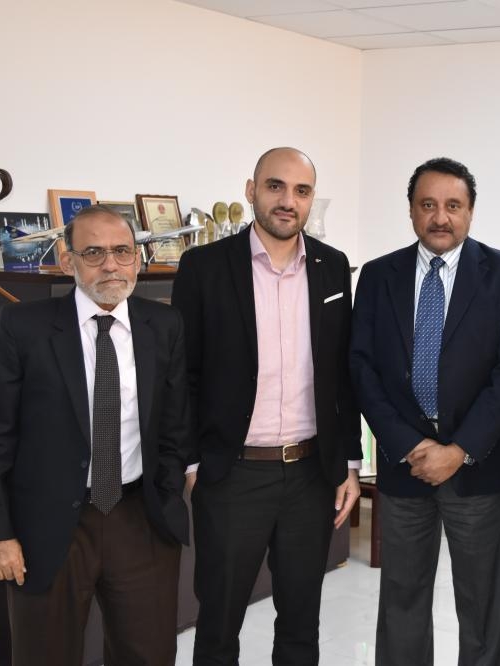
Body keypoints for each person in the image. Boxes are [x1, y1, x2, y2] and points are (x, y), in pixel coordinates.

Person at [0, 205, 190, 666]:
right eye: (94, 252)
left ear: (137, 259)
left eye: (122, 251)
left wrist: (167, 493)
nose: (111, 264)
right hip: (46, 529)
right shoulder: (23, 328)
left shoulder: (163, 325)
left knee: (149, 655)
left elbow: (173, 424)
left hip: (140, 520)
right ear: (68, 262)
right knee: (44, 656)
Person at [171, 147, 361, 665]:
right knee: (219, 624)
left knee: (301, 622)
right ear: (250, 190)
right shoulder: (203, 266)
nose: (288, 201)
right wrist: (192, 461)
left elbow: (342, 373)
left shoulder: (332, 266)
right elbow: (181, 374)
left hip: (310, 475)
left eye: (301, 191)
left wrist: (348, 461)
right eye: (276, 186)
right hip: (233, 475)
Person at [350, 157, 500, 666]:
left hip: (480, 464)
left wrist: (459, 450)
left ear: (471, 212)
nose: (440, 217)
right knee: (403, 599)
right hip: (405, 464)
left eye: (453, 206)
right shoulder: (380, 275)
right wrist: (409, 445)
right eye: (427, 205)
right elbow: (362, 368)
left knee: (484, 604)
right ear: (411, 211)